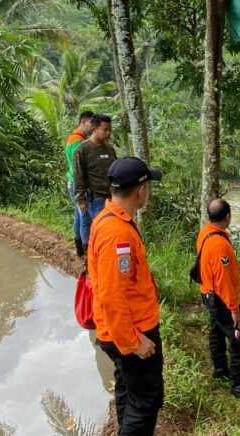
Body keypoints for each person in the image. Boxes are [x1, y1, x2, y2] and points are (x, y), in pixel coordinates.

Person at [88, 157, 163, 435]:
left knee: (128, 390)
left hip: (120, 329)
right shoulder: (116, 233)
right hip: (132, 332)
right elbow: (111, 294)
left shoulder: (110, 219)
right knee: (145, 400)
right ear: (141, 189)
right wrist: (132, 342)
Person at [196, 198, 240, 399]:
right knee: (239, 336)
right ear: (228, 216)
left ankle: (220, 370)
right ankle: (238, 386)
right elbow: (224, 280)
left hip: (208, 292)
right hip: (221, 297)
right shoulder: (220, 244)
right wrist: (234, 309)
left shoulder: (205, 232)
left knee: (215, 330)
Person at [73, 114, 117, 253]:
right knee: (97, 227)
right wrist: (80, 199)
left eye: (110, 129)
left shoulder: (110, 149)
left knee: (110, 227)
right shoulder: (82, 150)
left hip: (111, 197)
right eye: (105, 130)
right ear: (94, 128)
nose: (108, 133)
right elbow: (78, 176)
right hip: (95, 197)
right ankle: (89, 254)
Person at [65, 110, 93, 257]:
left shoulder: (75, 138)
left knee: (78, 215)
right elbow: (79, 165)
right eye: (91, 123)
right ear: (83, 122)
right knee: (85, 217)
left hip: (73, 182)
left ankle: (79, 248)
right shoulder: (77, 140)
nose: (92, 127)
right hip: (77, 183)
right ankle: (86, 250)